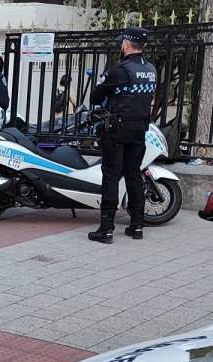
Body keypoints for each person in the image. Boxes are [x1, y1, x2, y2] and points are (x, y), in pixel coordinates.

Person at [88, 26, 157, 244]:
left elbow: (95, 98)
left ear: (126, 44)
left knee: (111, 176)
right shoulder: (152, 70)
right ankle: (137, 226)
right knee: (134, 175)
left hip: (116, 131)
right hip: (139, 131)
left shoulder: (118, 71)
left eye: (121, 43)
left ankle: (106, 229)